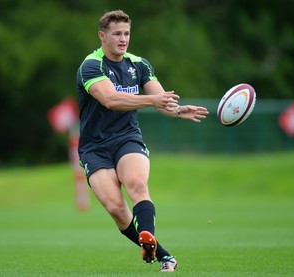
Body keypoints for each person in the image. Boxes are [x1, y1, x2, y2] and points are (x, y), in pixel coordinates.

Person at [76, 10, 209, 272]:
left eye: (126, 33)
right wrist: (153, 101)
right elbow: (111, 100)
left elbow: (162, 101)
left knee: (136, 183)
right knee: (115, 207)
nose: (123, 39)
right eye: (117, 34)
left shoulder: (139, 64)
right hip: (94, 147)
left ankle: (147, 235)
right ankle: (162, 254)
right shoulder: (91, 65)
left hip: (127, 139)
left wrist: (178, 110)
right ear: (102, 36)